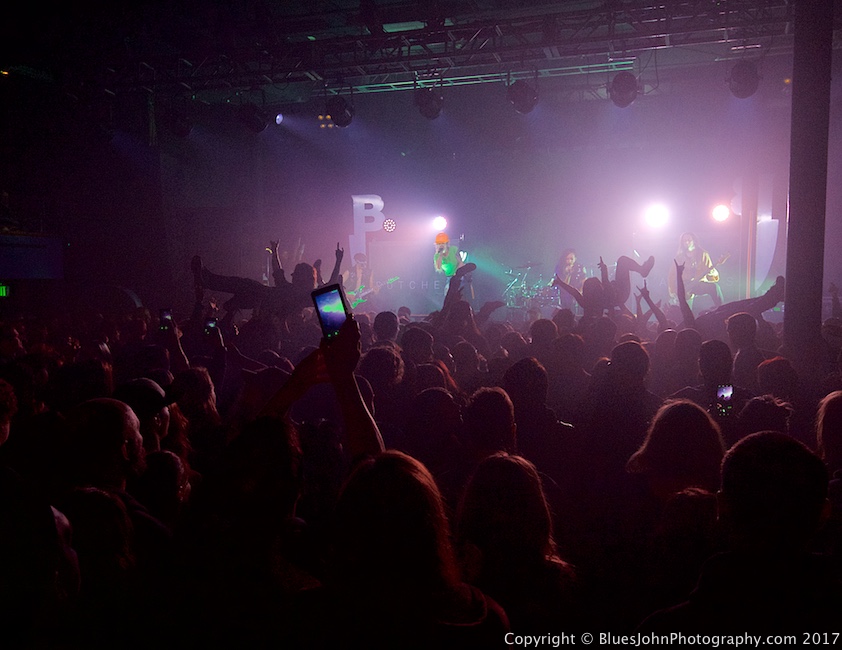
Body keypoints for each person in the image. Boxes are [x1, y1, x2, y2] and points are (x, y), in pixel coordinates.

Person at [668, 232, 724, 309]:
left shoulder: (703, 254)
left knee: (714, 287)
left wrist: (712, 272)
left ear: (694, 240)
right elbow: (672, 275)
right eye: (684, 240)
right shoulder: (679, 257)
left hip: (697, 283)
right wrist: (672, 291)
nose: (686, 242)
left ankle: (721, 308)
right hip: (684, 286)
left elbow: (709, 270)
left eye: (688, 240)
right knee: (686, 311)